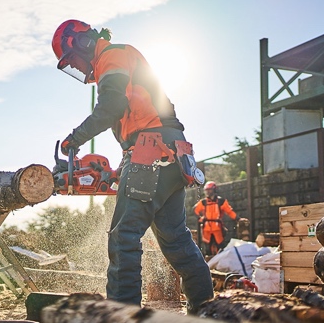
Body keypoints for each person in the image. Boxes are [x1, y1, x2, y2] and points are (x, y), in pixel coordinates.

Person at [52, 19, 213, 312]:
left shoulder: (111, 56)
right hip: (173, 152)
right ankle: (207, 311)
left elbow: (110, 106)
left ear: (81, 43)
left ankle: (121, 315)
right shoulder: (122, 57)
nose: (77, 69)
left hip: (150, 150)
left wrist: (74, 139)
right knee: (176, 240)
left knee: (123, 236)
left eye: (73, 62)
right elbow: (132, 115)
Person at [193, 181, 239, 255]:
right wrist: (200, 218)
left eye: (209, 190)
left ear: (214, 190)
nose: (207, 192)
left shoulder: (221, 201)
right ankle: (208, 264)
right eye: (206, 190)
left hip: (217, 229)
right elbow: (195, 210)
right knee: (207, 249)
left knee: (220, 247)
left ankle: (220, 264)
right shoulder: (204, 202)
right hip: (206, 229)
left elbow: (229, 211)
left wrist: (238, 219)